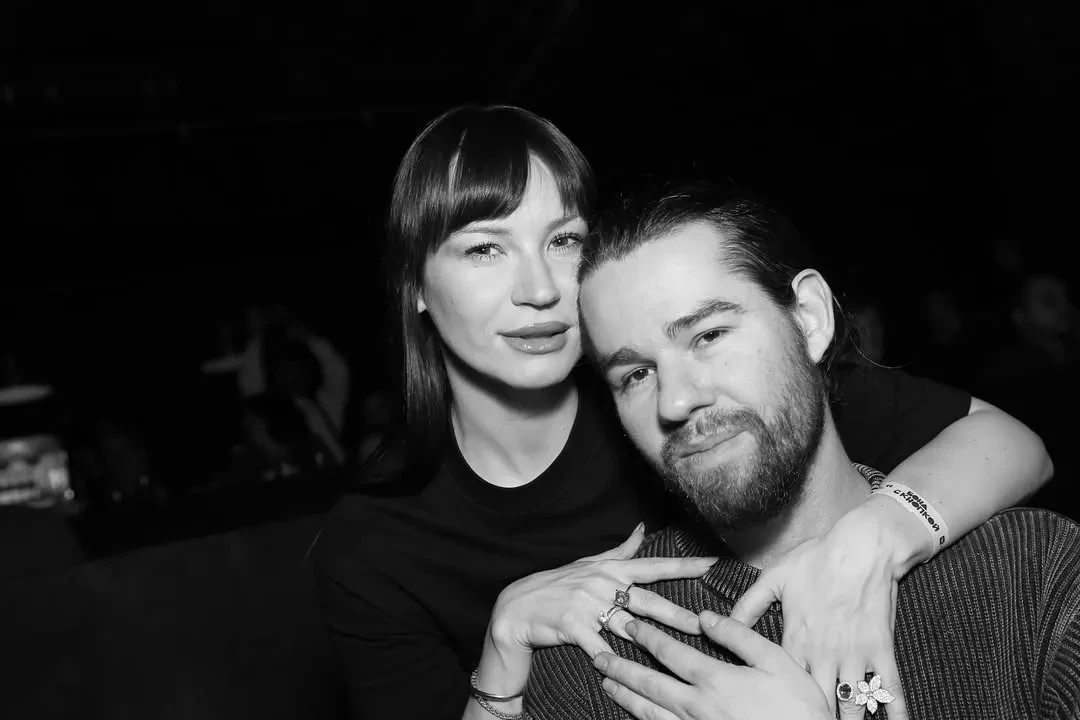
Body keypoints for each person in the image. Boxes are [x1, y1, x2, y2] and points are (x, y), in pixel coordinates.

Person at [313, 106, 1051, 720]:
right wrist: (502, 647)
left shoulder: (713, 401)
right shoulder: (378, 543)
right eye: (485, 249)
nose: (538, 288)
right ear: (415, 284)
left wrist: (873, 539)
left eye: (564, 240)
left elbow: (1005, 442)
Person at [524, 183, 1078, 719]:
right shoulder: (598, 650)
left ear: (809, 319)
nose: (676, 400)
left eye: (709, 335)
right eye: (636, 374)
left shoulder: (1035, 576)